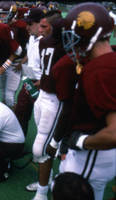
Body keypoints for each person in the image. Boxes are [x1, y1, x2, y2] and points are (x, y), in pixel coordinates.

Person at [53, 3, 116, 200]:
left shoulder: (99, 70)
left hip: (94, 154)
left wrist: (82, 141)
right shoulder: (108, 61)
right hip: (100, 152)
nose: (71, 43)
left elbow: (114, 133)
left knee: (70, 192)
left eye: (74, 37)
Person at [25, 11, 65, 200]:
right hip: (43, 96)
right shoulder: (42, 42)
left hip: (57, 100)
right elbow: (44, 69)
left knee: (41, 149)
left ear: (54, 28)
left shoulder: (66, 45)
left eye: (43, 26)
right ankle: (46, 183)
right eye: (39, 26)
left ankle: (42, 194)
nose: (39, 30)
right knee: (46, 148)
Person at [13, 7, 45, 136]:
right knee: (20, 111)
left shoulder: (48, 41)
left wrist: (42, 82)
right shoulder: (32, 37)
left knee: (43, 120)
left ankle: (46, 151)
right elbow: (31, 53)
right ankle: (18, 143)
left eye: (30, 24)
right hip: (29, 80)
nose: (27, 27)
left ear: (41, 23)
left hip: (42, 84)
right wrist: (23, 61)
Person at [0, 1, 29, 107]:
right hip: (2, 63)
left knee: (9, 96)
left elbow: (29, 46)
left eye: (4, 13)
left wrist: (23, 61)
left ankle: (13, 119)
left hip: (15, 64)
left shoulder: (21, 26)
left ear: (12, 14)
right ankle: (6, 117)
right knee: (3, 93)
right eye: (0, 13)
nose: (1, 16)